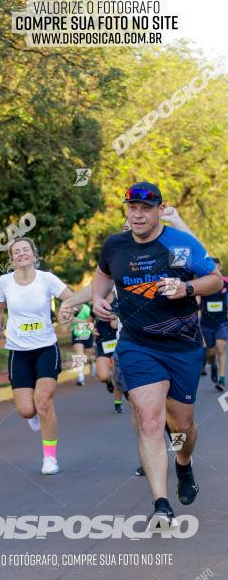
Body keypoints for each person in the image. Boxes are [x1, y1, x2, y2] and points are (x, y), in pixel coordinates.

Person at [92, 182, 222, 530]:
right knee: (149, 419)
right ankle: (161, 504)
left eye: (145, 208)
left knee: (181, 426)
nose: (137, 214)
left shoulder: (181, 244)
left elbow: (215, 279)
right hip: (137, 345)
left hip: (182, 346)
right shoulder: (115, 245)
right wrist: (97, 299)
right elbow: (103, 274)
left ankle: (183, 463)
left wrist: (187, 287)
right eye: (132, 207)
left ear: (160, 209)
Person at [0, 237, 76, 475]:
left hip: (46, 348)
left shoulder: (47, 279)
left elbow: (72, 298)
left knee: (44, 402)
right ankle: (33, 414)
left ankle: (50, 459)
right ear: (12, 259)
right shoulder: (4, 282)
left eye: (25, 249)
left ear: (34, 255)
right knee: (26, 410)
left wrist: (69, 311)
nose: (21, 254)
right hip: (19, 352)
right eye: (16, 251)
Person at [199, 258, 228, 392]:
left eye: (216, 266)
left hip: (221, 322)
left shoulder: (226, 282)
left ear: (220, 267)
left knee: (221, 348)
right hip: (206, 323)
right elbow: (196, 301)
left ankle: (222, 380)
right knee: (211, 353)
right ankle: (213, 366)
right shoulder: (203, 283)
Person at [70, 302, 94, 385]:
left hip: (87, 334)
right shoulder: (70, 309)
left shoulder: (86, 309)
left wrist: (78, 320)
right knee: (79, 355)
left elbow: (92, 323)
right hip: (77, 334)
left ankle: (92, 363)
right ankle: (80, 377)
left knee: (88, 356)